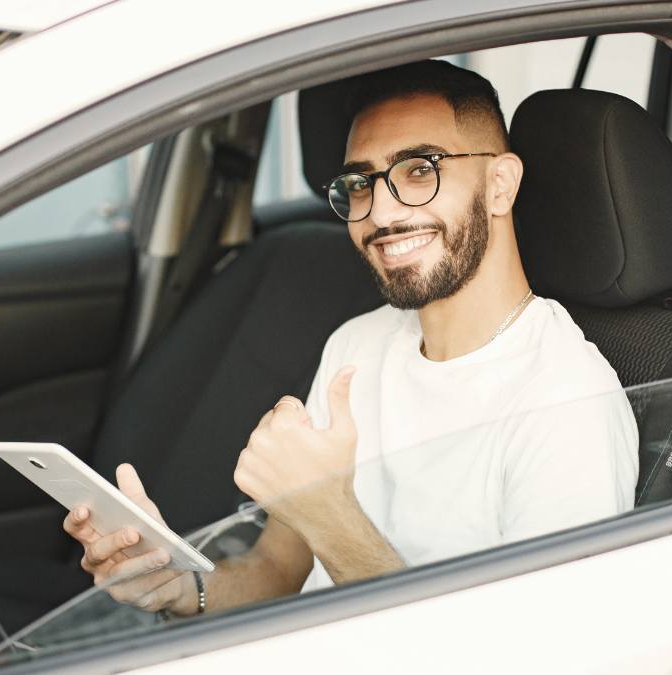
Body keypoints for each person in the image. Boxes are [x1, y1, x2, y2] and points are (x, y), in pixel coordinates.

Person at [63, 59, 639, 615]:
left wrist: (329, 514)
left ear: (499, 184)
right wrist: (179, 587)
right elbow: (278, 571)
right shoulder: (356, 346)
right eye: (360, 183)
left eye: (420, 169)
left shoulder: (567, 404)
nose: (381, 214)